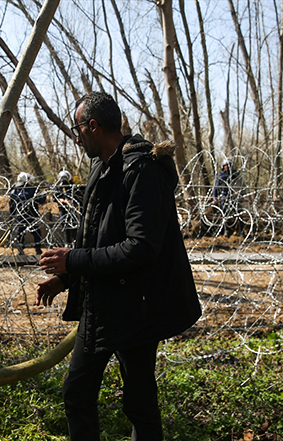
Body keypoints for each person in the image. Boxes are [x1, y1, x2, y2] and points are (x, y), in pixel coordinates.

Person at [35, 92, 201, 441]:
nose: (76, 137)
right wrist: (66, 277)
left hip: (136, 311)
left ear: (93, 126)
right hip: (101, 305)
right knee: (77, 394)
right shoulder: (103, 166)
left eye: (77, 129)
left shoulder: (140, 170)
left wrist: (72, 260)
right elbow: (97, 236)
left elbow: (140, 248)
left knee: (138, 403)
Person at [9, 172, 46, 255]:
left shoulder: (14, 191)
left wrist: (12, 216)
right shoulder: (32, 190)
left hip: (20, 216)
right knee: (36, 232)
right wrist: (43, 193)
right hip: (32, 215)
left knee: (20, 233)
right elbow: (41, 200)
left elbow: (11, 205)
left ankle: (20, 250)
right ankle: (38, 249)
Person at [211, 158, 245, 237]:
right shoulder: (221, 175)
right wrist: (214, 197)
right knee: (224, 214)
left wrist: (242, 195)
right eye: (225, 165)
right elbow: (216, 187)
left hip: (234, 196)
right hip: (224, 196)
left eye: (228, 165)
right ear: (223, 166)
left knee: (238, 213)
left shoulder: (235, 174)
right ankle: (226, 231)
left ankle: (240, 230)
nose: (227, 167)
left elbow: (241, 184)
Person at [53, 170, 83, 246]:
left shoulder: (72, 186)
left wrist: (72, 200)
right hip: (63, 209)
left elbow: (78, 197)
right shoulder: (58, 186)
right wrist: (61, 200)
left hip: (72, 209)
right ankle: (67, 243)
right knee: (65, 226)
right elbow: (55, 197)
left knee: (74, 226)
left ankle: (75, 242)